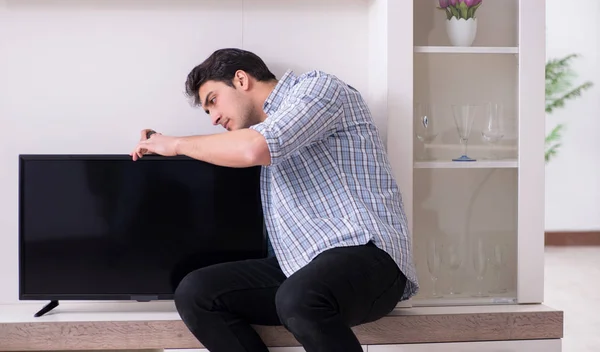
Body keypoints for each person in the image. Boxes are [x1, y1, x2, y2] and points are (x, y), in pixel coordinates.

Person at [130, 48, 419, 352]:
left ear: (241, 79)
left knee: (299, 296)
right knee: (196, 292)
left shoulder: (319, 88)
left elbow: (258, 148)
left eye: (213, 100)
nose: (213, 117)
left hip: (371, 257)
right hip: (300, 266)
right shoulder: (255, 139)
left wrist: (175, 144)